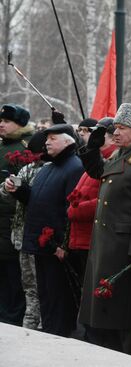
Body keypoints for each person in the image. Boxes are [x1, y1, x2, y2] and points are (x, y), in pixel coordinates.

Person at [78, 103, 131, 356]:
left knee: (124, 317)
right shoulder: (121, 155)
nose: (115, 133)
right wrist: (92, 149)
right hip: (107, 245)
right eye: (115, 127)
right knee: (105, 316)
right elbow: (99, 173)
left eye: (121, 128)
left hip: (124, 250)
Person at [7, 124, 83, 336]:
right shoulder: (49, 167)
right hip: (40, 244)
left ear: (68, 141)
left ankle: (60, 341)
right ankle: (50, 335)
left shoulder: (75, 167)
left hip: (57, 248)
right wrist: (20, 191)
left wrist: (63, 244)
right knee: (46, 297)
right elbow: (37, 201)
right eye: (46, 138)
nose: (46, 142)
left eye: (52, 138)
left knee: (59, 300)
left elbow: (72, 209)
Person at [0, 131, 46, 330]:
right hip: (20, 235)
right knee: (28, 286)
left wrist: (23, 192)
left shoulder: (51, 169)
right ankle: (28, 323)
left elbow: (42, 201)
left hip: (40, 238)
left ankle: (41, 325)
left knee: (39, 286)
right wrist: (8, 187)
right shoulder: (28, 168)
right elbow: (6, 193)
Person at [67, 121, 117, 284]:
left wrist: (76, 210)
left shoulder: (113, 162)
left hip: (93, 239)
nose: (94, 138)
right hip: (81, 238)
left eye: (100, 135)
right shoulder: (95, 161)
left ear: (112, 139)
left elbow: (109, 198)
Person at [0, 104, 34, 326]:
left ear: (20, 125)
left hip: (11, 223)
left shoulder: (24, 150)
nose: (1, 124)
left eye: (6, 121)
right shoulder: (5, 146)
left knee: (13, 278)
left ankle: (11, 320)